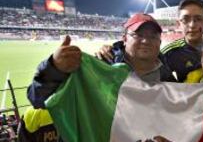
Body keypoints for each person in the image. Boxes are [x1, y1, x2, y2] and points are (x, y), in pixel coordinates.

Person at [28, 13, 175, 108]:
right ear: (124, 39)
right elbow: (37, 99)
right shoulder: (100, 66)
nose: (145, 40)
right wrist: (54, 69)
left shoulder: (166, 74)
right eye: (138, 34)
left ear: (160, 42)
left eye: (153, 36)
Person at [160, 0, 203, 82]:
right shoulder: (170, 52)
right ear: (178, 24)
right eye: (185, 19)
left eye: (198, 19)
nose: (192, 25)